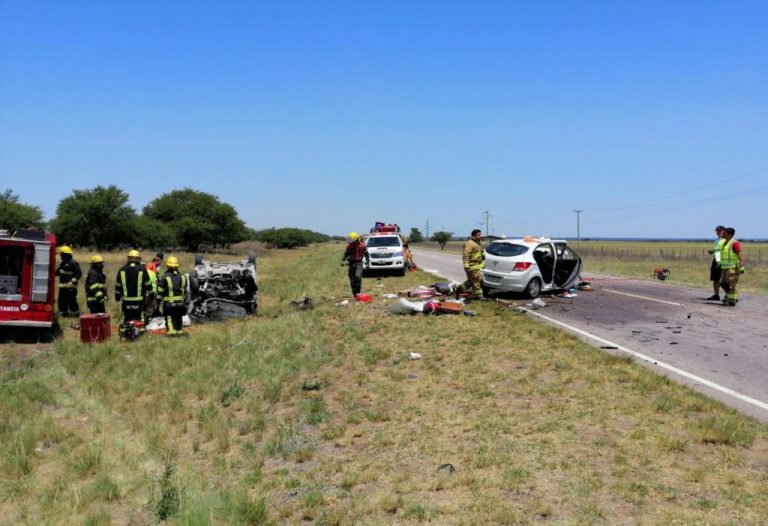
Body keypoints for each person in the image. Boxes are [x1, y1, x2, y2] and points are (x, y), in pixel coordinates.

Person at [114, 249, 154, 324]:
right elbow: (148, 284)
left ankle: (127, 331)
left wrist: (117, 297)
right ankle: (138, 332)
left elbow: (118, 286)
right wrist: (152, 295)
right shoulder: (142, 269)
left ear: (128, 258)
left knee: (127, 318)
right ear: (139, 259)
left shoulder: (122, 270)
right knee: (139, 320)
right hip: (139, 301)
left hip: (126, 301)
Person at [157, 256, 188, 336]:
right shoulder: (183, 276)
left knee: (170, 319)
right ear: (177, 266)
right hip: (181, 304)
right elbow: (185, 292)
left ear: (168, 266)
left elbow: (160, 292)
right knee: (179, 318)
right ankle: (179, 333)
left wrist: (158, 301)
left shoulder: (165, 277)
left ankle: (172, 335)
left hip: (169, 305)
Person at [718, 227, 745, 306]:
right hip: (724, 268)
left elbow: (740, 254)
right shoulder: (723, 242)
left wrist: (741, 265)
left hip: (732, 268)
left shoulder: (734, 243)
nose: (722, 233)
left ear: (729, 234)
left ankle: (732, 301)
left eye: (724, 232)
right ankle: (730, 297)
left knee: (733, 285)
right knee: (723, 283)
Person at [55, 245, 81, 317]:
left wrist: (72, 281)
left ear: (65, 254)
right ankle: (64, 314)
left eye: (61, 254)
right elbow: (58, 272)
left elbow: (79, 273)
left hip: (71, 286)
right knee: (62, 301)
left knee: (71, 301)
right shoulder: (63, 263)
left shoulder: (73, 263)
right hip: (63, 287)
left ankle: (75, 314)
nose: (60, 256)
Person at [342, 232, 370, 296]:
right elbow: (346, 253)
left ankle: (358, 292)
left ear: (357, 238)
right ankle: (354, 294)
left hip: (359, 263)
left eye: (353, 239)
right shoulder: (350, 245)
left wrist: (368, 262)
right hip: (351, 263)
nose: (352, 241)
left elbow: (366, 254)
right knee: (352, 280)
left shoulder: (362, 245)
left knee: (358, 277)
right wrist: (343, 259)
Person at [460, 229, 485, 296]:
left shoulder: (478, 243)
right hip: (472, 266)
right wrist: (466, 266)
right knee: (476, 282)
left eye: (480, 235)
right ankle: (479, 296)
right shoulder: (469, 244)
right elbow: (466, 255)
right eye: (478, 235)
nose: (480, 236)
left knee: (471, 281)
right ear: (473, 235)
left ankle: (458, 290)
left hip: (477, 265)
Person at [706, 226, 726, 301]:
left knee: (723, 279)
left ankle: (728, 295)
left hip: (722, 260)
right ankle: (716, 295)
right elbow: (717, 250)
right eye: (717, 231)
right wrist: (712, 251)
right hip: (716, 259)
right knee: (715, 278)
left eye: (719, 231)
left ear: (724, 231)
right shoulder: (717, 240)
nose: (718, 232)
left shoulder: (725, 240)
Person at [145, 253, 164, 319]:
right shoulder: (152, 267)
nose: (160, 263)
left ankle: (152, 315)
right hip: (152, 289)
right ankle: (151, 316)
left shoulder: (151, 266)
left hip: (151, 289)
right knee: (152, 304)